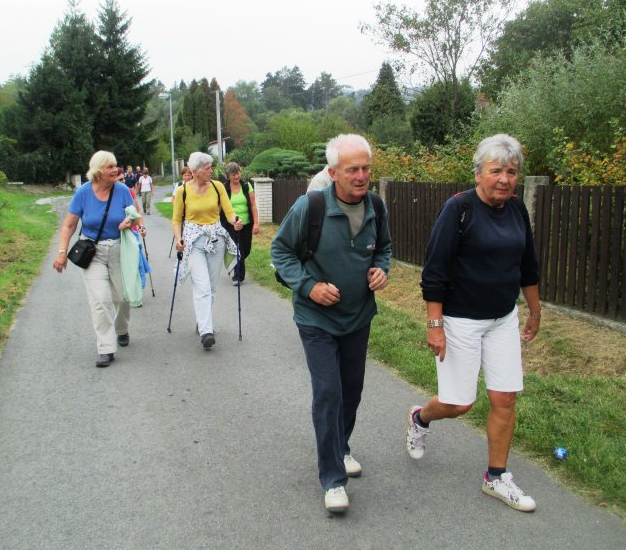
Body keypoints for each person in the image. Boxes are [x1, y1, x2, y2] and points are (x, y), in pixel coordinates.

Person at [406, 133, 541, 512]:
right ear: (478, 173)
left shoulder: (517, 211)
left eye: (511, 172)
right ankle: (420, 417)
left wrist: (534, 310)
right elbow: (434, 271)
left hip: (502, 319)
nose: (504, 179)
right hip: (460, 320)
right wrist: (435, 325)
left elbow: (528, 266)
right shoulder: (458, 209)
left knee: (504, 397)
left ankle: (496, 477)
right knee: (458, 403)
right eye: (496, 170)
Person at [271, 133, 392, 514]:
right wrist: (309, 286)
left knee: (351, 391)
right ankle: (333, 479)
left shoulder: (375, 205)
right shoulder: (311, 206)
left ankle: (340, 446)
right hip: (316, 317)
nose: (361, 176)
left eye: (366, 168)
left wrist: (381, 270)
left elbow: (385, 248)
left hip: (358, 316)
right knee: (328, 392)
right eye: (352, 169)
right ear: (333, 172)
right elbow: (280, 250)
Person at [53, 150, 141, 367]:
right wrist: (62, 253)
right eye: (110, 167)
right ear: (98, 171)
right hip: (93, 252)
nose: (116, 170)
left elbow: (135, 217)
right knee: (99, 300)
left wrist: (129, 223)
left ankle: (121, 330)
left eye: (116, 166)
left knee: (122, 298)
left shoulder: (122, 191)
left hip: (120, 250)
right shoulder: (83, 193)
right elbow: (69, 224)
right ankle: (106, 348)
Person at [171, 152, 243, 349]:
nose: (212, 170)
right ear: (195, 171)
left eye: (211, 167)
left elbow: (228, 212)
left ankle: (202, 320)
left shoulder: (218, 187)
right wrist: (178, 239)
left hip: (216, 239)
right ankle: (206, 332)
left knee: (210, 287)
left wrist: (235, 221)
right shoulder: (182, 191)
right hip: (193, 242)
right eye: (208, 168)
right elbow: (177, 220)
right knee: (201, 286)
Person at [221, 162, 259, 285]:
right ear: (229, 176)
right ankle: (238, 276)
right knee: (238, 250)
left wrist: (256, 223)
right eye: (233, 175)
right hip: (231, 225)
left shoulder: (247, 186)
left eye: (238, 173)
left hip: (247, 224)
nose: (237, 177)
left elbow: (253, 205)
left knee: (246, 249)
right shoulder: (224, 188)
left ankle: (236, 265)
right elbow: (219, 207)